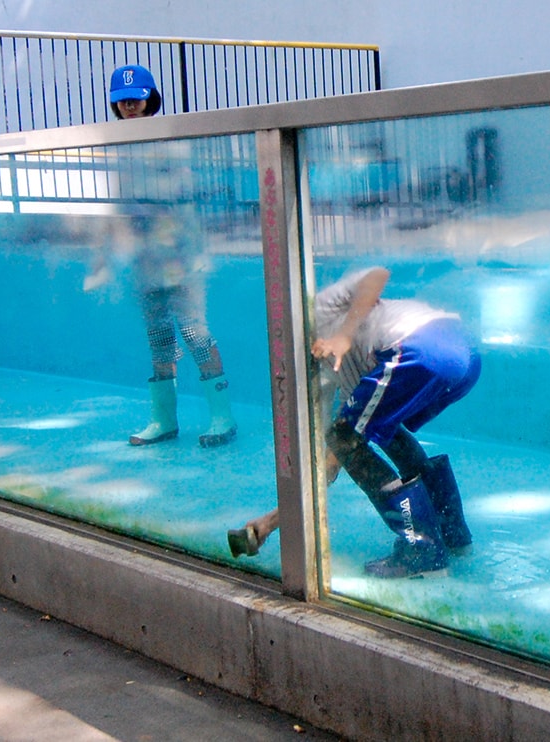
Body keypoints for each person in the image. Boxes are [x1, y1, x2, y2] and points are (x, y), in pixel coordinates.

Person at [230, 267, 481, 579]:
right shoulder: (334, 376)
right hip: (463, 353)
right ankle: (452, 534)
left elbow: (376, 275)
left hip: (419, 346)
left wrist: (344, 335)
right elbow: (329, 464)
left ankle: (423, 551)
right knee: (380, 433)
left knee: (347, 437)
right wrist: (269, 522)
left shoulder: (319, 311)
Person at [92, 64, 238, 448]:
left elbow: (183, 197)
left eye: (136, 98)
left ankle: (222, 416)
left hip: (181, 258)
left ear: (150, 99)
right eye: (121, 100)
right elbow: (119, 206)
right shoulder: (118, 149)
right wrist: (106, 254)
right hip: (145, 261)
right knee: (158, 336)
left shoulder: (172, 140)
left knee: (194, 332)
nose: (128, 106)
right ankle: (164, 419)